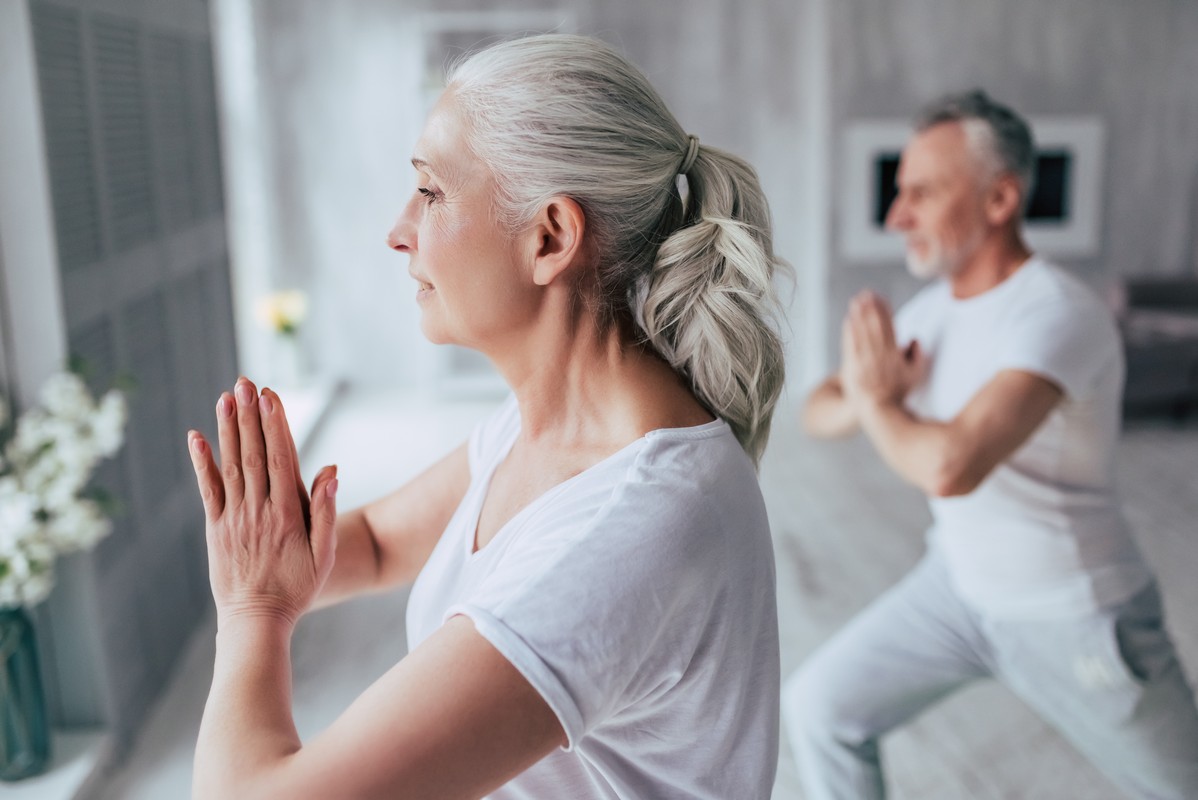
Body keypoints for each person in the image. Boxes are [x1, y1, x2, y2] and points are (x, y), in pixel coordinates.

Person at [185, 33, 787, 799]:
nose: (398, 230)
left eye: (431, 193)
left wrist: (253, 609)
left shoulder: (632, 527)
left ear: (549, 238)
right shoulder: (543, 427)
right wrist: (268, 545)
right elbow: (371, 545)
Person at [782, 90, 1198, 799]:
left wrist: (878, 398)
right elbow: (818, 408)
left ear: (1001, 199)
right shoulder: (933, 311)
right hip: (957, 592)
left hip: (1073, 611)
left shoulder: (1058, 314)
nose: (896, 216)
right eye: (895, 192)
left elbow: (949, 466)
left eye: (921, 193)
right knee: (820, 708)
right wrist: (866, 386)